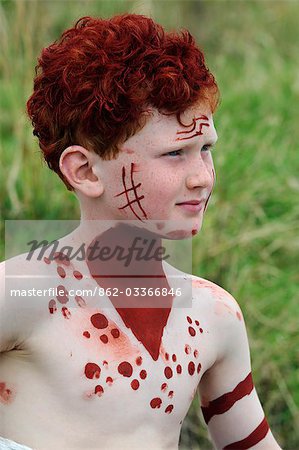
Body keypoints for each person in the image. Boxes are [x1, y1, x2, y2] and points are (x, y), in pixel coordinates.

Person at [0, 14, 281, 450]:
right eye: (174, 154)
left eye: (205, 149)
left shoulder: (214, 317)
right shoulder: (22, 293)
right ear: (86, 170)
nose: (202, 177)